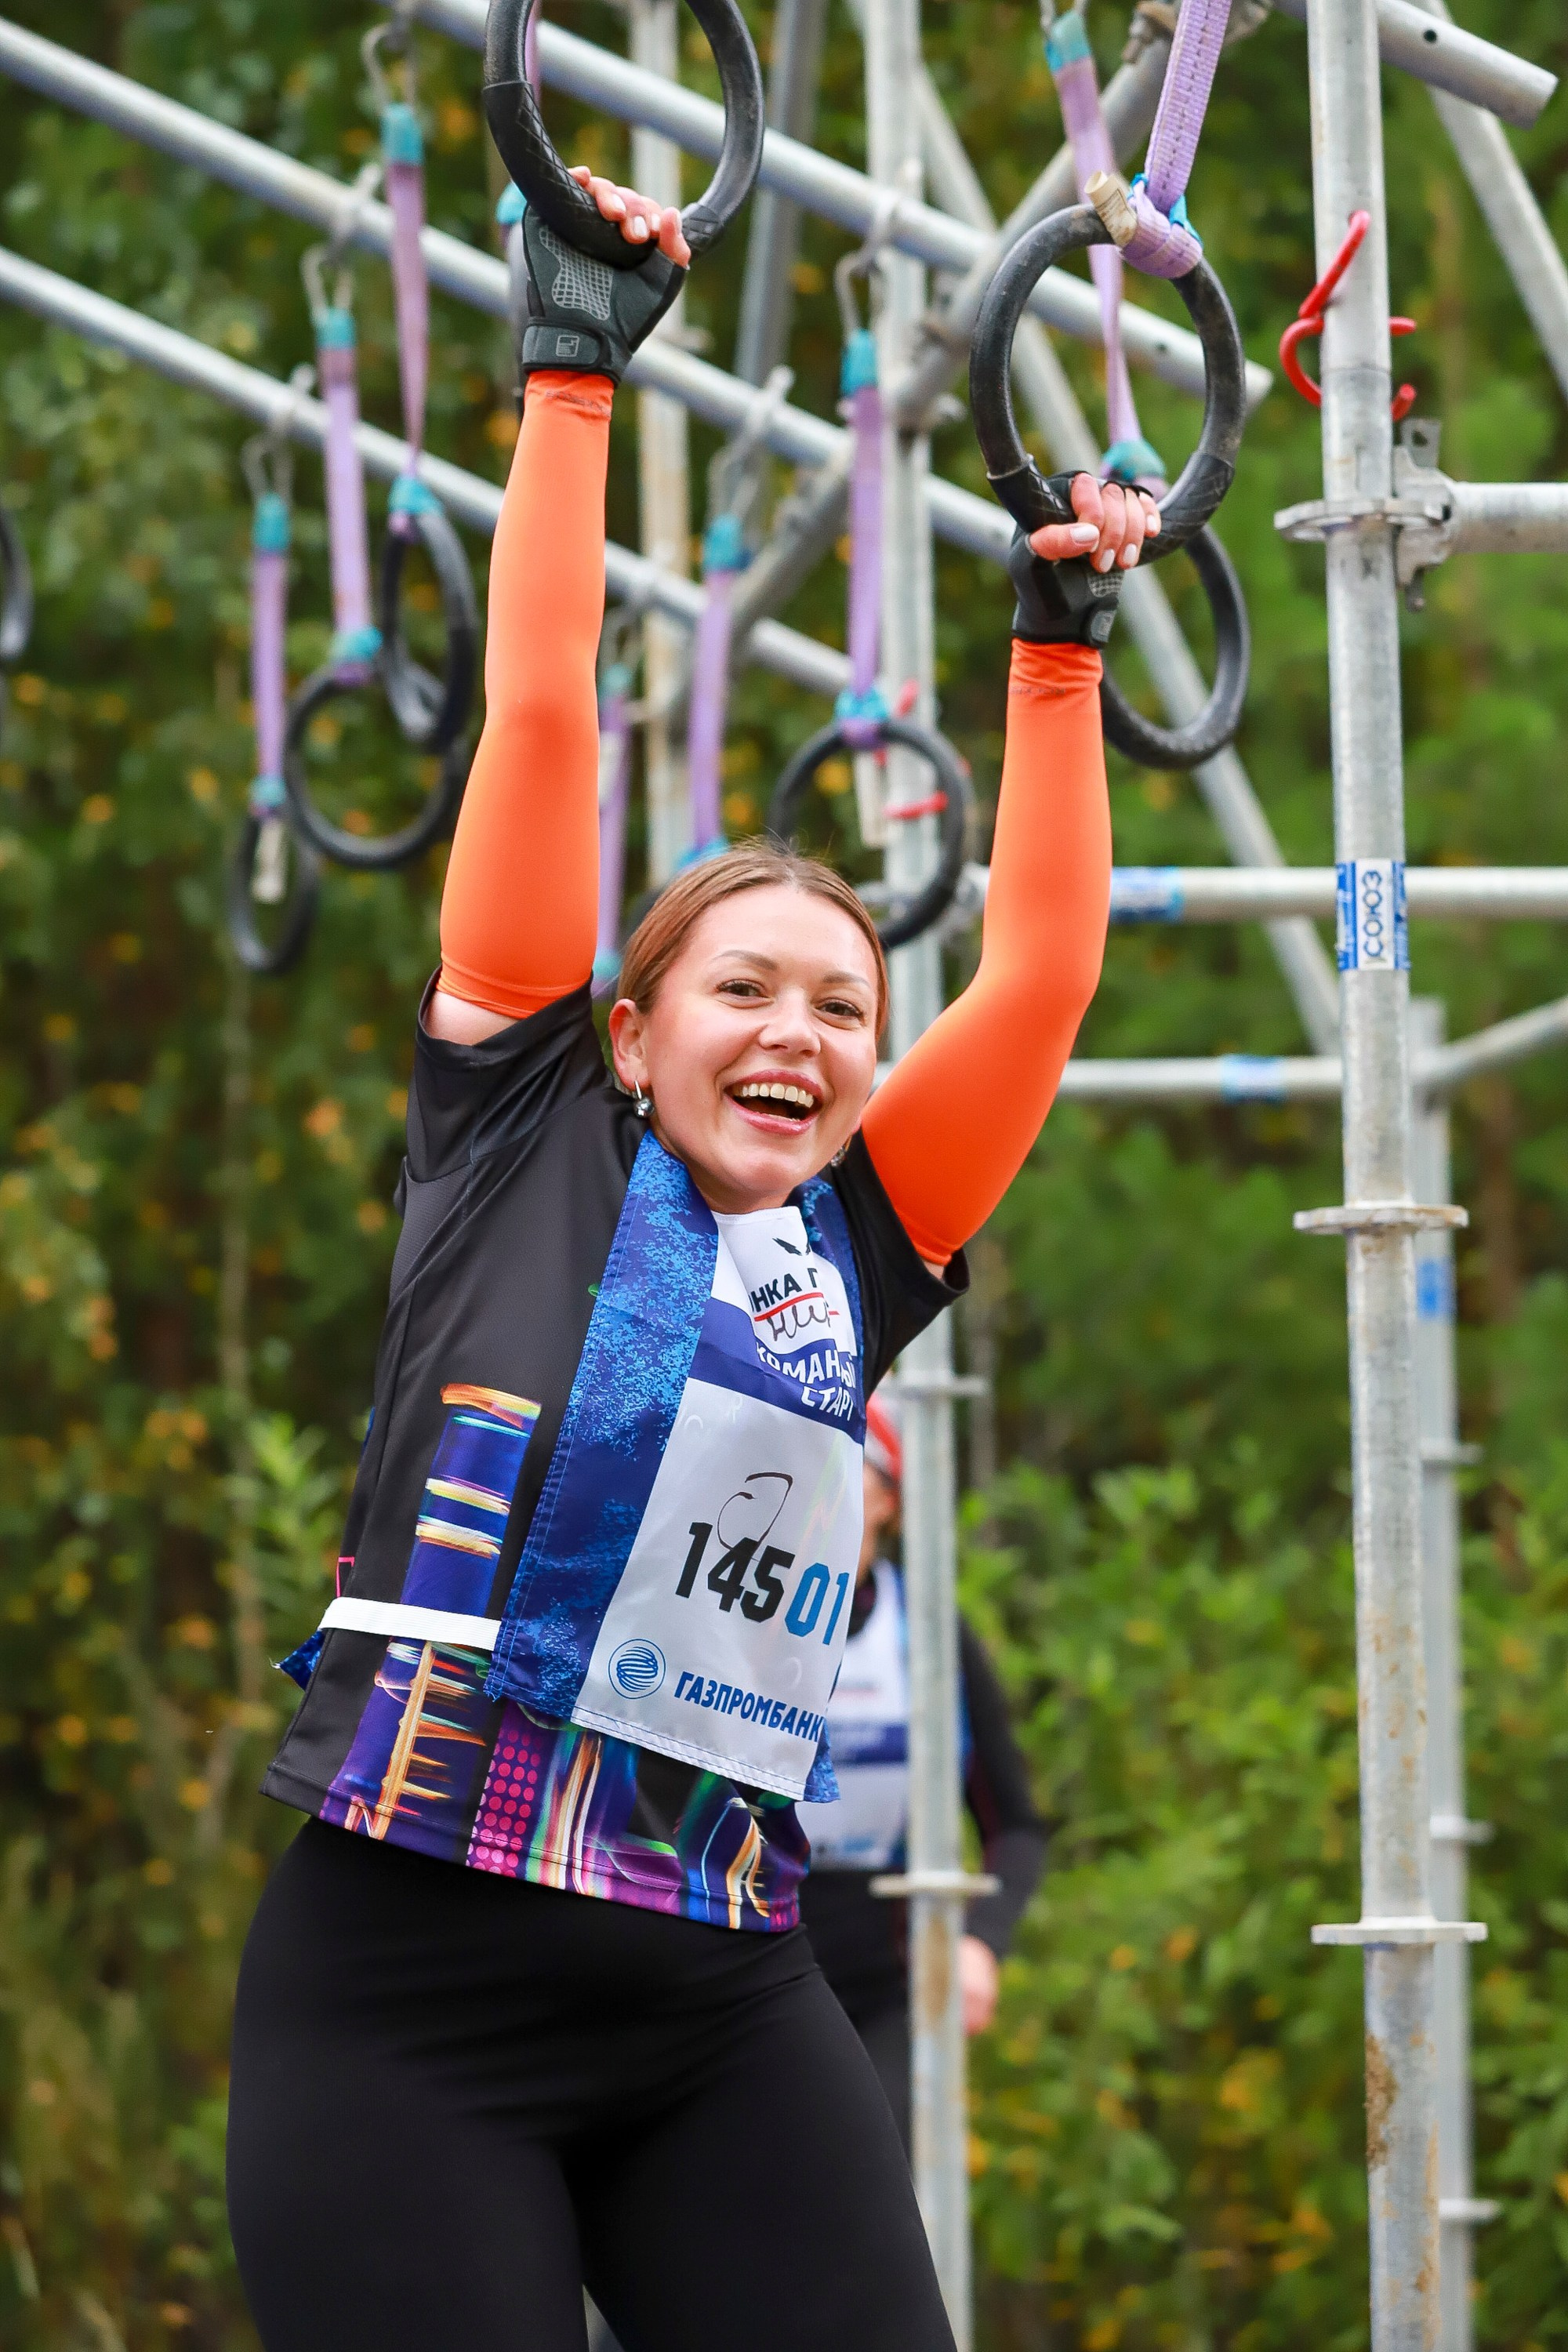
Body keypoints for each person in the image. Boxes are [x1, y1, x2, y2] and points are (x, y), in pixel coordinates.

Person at [225, 165, 1157, 2352]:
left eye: (842, 1003)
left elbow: (1032, 979)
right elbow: (545, 722)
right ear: (629, 1034)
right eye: (747, 987)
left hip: (725, 1997)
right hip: (408, 1995)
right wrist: (570, 374)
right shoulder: (517, 1133)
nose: (806, 1030)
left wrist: (1055, 651)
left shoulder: (860, 1239)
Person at [798, 1392, 1047, 2150]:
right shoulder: (740, 1615)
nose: (830, 1487)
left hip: (889, 1977)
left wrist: (983, 1943)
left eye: (856, 1468)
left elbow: (1019, 1827)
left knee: (871, 2184)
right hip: (755, 1955)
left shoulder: (931, 1632)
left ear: (891, 1501)